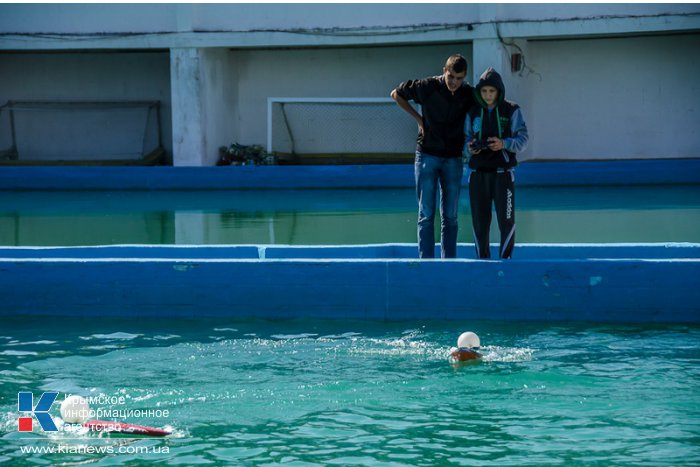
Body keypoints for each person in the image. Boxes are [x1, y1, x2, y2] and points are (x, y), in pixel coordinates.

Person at [391, 54, 476, 258]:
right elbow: (396, 94)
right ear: (444, 71)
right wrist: (419, 119)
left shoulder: (467, 93)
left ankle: (449, 262)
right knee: (426, 214)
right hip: (427, 155)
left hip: (453, 158)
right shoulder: (427, 86)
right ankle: (426, 263)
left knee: (451, 216)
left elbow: (488, 103)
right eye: (451, 76)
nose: (455, 82)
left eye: (460, 78)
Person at [465, 67, 529, 259]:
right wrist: (470, 148)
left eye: (491, 91)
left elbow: (523, 140)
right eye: (484, 91)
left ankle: (505, 260)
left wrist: (504, 144)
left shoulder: (511, 110)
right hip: (478, 175)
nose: (487, 95)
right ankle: (482, 260)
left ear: (499, 91)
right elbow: (465, 138)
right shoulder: (473, 111)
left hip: (503, 174)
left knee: (506, 221)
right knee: (479, 222)